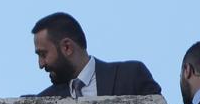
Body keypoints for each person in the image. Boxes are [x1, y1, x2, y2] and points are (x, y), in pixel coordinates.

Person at [30, 12, 163, 97]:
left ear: (67, 47)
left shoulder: (131, 76)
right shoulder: (43, 102)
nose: (41, 64)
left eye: (43, 54)